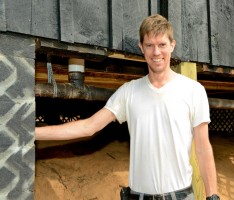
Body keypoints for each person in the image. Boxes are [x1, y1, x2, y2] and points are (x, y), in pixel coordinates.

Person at [35, 14, 220, 200]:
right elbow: (89, 126)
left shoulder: (193, 91)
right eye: (149, 45)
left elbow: (203, 149)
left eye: (162, 45)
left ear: (172, 45)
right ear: (141, 47)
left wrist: (212, 196)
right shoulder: (128, 92)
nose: (156, 52)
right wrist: (33, 133)